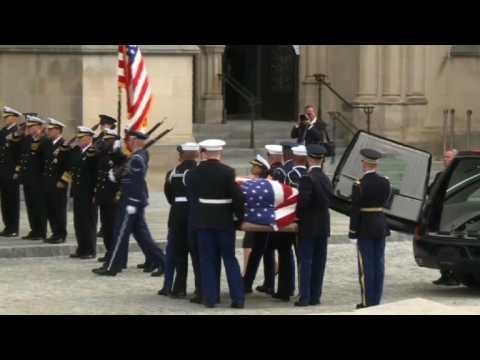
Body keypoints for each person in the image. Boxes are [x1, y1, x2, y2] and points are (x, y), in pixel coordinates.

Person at [93, 130, 166, 276]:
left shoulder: (138, 157)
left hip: (131, 201)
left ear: (136, 141)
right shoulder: (135, 156)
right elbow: (126, 172)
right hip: (131, 199)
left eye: (130, 140)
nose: (128, 143)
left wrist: (132, 201)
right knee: (142, 236)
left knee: (120, 233)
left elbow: (137, 182)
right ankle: (163, 263)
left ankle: (112, 266)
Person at [188, 139, 245, 309]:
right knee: (230, 259)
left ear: (203, 153)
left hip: (203, 221)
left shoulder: (194, 173)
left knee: (207, 260)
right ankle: (238, 298)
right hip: (225, 222)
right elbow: (238, 197)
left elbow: (192, 196)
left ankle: (210, 298)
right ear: (220, 153)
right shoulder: (228, 172)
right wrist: (239, 218)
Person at [349, 149, 392, 309]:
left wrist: (353, 232)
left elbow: (355, 210)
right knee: (378, 264)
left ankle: (368, 301)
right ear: (376, 164)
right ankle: (377, 301)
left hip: (365, 227)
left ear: (365, 164)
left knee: (366, 266)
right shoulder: (386, 181)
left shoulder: (359, 184)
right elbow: (387, 202)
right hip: (380, 224)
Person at [158, 143, 199, 298]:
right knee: (196, 254)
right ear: (196, 154)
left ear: (182, 155)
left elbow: (169, 196)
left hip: (176, 214)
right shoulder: (199, 171)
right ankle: (199, 288)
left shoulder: (171, 173)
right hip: (194, 214)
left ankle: (179, 288)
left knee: (179, 253)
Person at [295, 144, 332, 307]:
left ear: (309, 159)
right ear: (322, 159)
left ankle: (305, 297)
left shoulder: (307, 178)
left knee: (306, 262)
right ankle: (316, 296)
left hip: (309, 226)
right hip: (323, 226)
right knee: (319, 262)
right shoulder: (325, 178)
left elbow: (303, 203)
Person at [60, 127, 98, 259]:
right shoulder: (77, 151)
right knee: (79, 222)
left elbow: (96, 174)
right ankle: (81, 248)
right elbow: (64, 160)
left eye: (81, 138)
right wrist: (65, 146)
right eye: (78, 138)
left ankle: (90, 250)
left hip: (89, 193)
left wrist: (95, 193)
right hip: (77, 192)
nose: (79, 140)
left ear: (89, 138)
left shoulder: (94, 152)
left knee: (88, 222)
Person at [242, 155, 276, 295]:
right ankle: (263, 283)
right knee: (261, 252)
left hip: (262, 221)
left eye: (255, 166)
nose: (252, 167)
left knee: (260, 252)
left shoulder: (267, 182)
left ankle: (249, 283)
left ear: (261, 169)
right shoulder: (254, 181)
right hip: (258, 220)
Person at [93, 128, 126, 263]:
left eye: (108, 140)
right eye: (104, 140)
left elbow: (122, 178)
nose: (105, 143)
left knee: (113, 227)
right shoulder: (103, 155)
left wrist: (118, 196)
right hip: (103, 196)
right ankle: (109, 251)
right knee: (106, 226)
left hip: (113, 197)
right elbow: (99, 175)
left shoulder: (120, 156)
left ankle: (115, 253)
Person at [13, 115, 48, 241]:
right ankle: (34, 229)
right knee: (30, 206)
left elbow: (46, 161)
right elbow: (17, 152)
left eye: (32, 126)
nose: (29, 129)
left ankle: (41, 231)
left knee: (39, 206)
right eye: (28, 126)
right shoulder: (27, 139)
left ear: (39, 126)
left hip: (38, 180)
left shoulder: (44, 140)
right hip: (28, 178)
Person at [430, 149, 460, 286]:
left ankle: (455, 275)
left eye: (448, 157)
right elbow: (430, 191)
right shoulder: (439, 175)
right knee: (440, 245)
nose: (445, 159)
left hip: (454, 217)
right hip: (439, 216)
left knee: (453, 246)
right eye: (444, 157)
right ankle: (445, 274)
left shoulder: (459, 175)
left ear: (455, 159)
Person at [43, 118, 68, 244]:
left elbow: (68, 166)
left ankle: (60, 234)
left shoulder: (65, 145)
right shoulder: (48, 144)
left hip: (58, 183)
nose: (48, 131)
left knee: (59, 209)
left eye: (51, 129)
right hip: (48, 182)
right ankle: (54, 232)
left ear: (58, 130)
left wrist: (63, 181)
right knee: (50, 209)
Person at [94, 115, 117, 239]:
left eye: (105, 125)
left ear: (111, 126)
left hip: (111, 176)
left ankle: (107, 227)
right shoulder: (99, 138)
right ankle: (104, 227)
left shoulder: (115, 139)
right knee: (102, 205)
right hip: (100, 174)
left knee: (110, 207)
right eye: (102, 125)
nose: (102, 127)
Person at [0, 106, 22, 237]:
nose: (5, 119)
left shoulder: (18, 132)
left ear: (14, 117)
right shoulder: (3, 132)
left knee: (12, 200)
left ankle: (13, 227)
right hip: (2, 170)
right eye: (4, 117)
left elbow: (20, 154)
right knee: (5, 200)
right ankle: (7, 225)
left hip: (11, 171)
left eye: (7, 117)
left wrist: (17, 171)